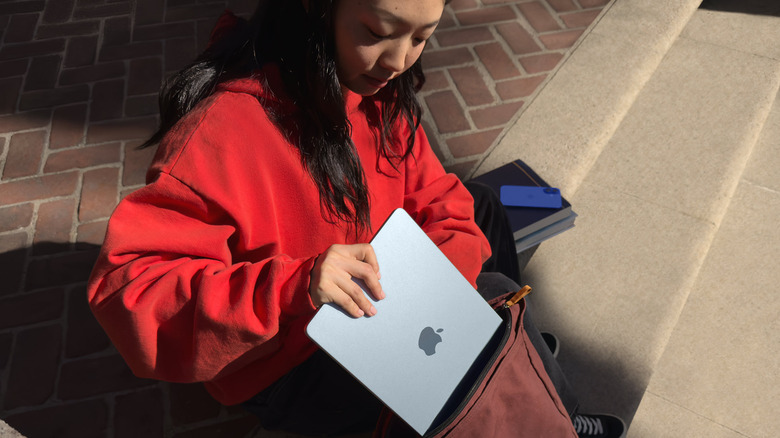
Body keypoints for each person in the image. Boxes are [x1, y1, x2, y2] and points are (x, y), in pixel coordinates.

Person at [86, 0, 624, 436]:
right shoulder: (224, 131)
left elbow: (444, 197)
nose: (398, 61)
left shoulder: (380, 95)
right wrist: (295, 285)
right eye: (377, 30)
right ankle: (530, 400)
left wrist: (436, 296)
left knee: (484, 213)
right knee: (488, 309)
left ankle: (514, 372)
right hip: (289, 354)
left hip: (370, 301)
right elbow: (131, 291)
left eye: (421, 37)